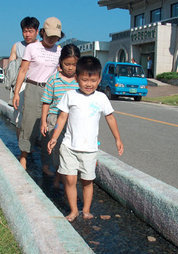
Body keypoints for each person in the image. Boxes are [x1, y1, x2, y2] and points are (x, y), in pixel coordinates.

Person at [47, 56, 124, 222]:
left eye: (93, 81)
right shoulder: (70, 95)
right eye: (84, 80)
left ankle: (86, 209)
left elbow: (110, 118)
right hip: (69, 146)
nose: (89, 84)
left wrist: (117, 139)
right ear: (76, 79)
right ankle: (74, 210)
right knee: (69, 178)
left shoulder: (101, 98)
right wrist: (54, 137)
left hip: (89, 149)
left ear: (99, 79)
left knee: (87, 180)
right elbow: (61, 118)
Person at [12, 17, 65, 170]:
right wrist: (16, 93)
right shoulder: (32, 48)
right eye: (49, 36)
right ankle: (23, 156)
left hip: (51, 91)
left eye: (55, 37)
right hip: (33, 88)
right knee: (28, 124)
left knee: (48, 126)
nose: (52, 39)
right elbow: (22, 71)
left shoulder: (59, 51)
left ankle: (46, 164)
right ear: (42, 32)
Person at [40, 44, 80, 179]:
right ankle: (57, 172)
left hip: (73, 121)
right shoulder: (54, 79)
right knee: (55, 146)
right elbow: (46, 102)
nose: (70, 68)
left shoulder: (80, 81)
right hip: (54, 118)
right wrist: (43, 121)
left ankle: (63, 173)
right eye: (67, 64)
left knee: (68, 147)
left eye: (74, 64)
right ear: (61, 62)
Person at [7, 17, 40, 134]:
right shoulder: (17, 46)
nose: (27, 34)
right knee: (18, 117)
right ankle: (21, 148)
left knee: (36, 116)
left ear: (37, 31)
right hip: (20, 85)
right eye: (25, 31)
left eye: (30, 31)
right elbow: (11, 68)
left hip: (37, 85)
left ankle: (32, 145)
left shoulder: (42, 46)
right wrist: (13, 89)